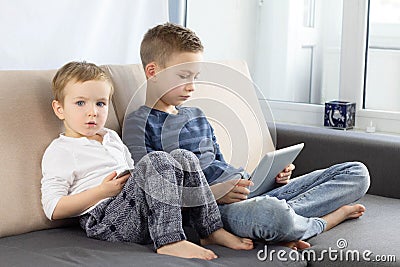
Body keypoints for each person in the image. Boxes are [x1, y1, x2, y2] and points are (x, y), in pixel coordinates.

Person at [122, 23, 371, 249]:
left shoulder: (197, 114)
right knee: (272, 215)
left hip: (252, 189)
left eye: (195, 77)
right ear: (153, 72)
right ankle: (323, 221)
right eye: (183, 76)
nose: (192, 86)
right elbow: (150, 190)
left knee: (356, 173)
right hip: (215, 211)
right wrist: (214, 193)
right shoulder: (139, 123)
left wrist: (273, 178)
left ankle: (287, 223)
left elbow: (220, 163)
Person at [40, 61, 253, 261]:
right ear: (60, 109)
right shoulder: (61, 150)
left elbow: (133, 171)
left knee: (183, 156)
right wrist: (102, 192)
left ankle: (211, 230)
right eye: (80, 103)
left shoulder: (110, 137)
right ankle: (170, 240)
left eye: (100, 103)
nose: (92, 112)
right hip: (106, 220)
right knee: (157, 160)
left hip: (137, 209)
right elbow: (53, 209)